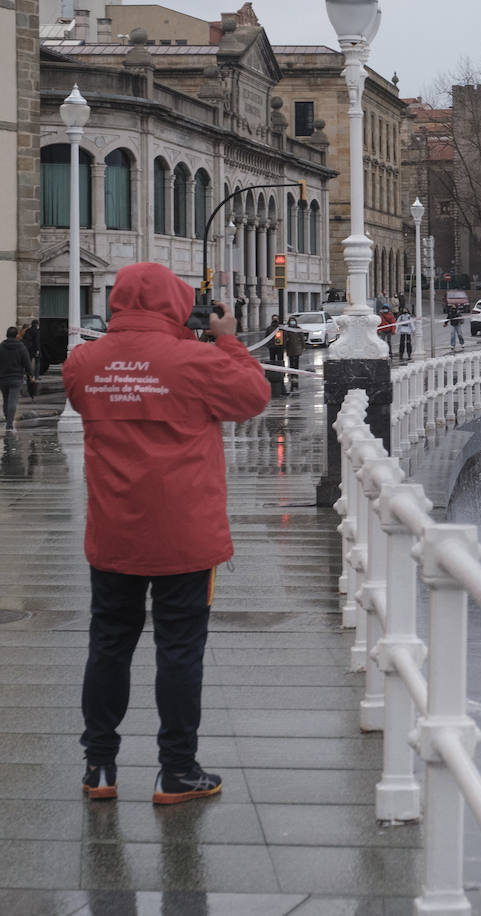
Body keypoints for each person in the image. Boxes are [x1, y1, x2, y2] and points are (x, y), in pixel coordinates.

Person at [63, 262, 270, 805]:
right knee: (179, 651)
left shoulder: (83, 363)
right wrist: (226, 342)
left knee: (108, 645)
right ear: (176, 305)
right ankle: (176, 771)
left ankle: (99, 767)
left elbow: (94, 394)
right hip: (184, 536)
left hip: (114, 534)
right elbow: (252, 397)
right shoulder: (197, 360)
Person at [0, 326, 34, 431]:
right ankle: (9, 425)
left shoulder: (1, 347)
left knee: (6, 400)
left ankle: (8, 421)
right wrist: (30, 375)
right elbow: (27, 363)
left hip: (3, 378)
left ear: (6, 334)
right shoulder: (21, 347)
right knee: (13, 401)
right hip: (16, 378)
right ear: (16, 335)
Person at [283, 315, 305, 392]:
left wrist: (303, 346)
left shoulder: (298, 329)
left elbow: (302, 338)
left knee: (296, 363)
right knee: (291, 363)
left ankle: (295, 376)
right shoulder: (287, 330)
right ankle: (293, 376)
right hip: (290, 349)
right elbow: (285, 339)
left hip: (297, 349)